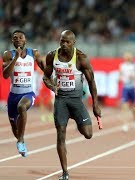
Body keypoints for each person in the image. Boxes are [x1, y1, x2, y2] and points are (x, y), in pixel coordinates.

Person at [42, 30, 101, 180]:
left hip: (76, 101)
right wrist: (52, 87)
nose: (64, 44)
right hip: (61, 101)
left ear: (73, 43)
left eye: (67, 42)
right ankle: (65, 172)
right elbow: (45, 76)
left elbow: (92, 82)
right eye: (62, 41)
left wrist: (95, 104)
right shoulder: (52, 55)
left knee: (88, 134)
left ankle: (77, 119)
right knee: (61, 135)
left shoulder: (81, 58)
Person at [2, 30, 45, 157]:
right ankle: (20, 139)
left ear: (25, 40)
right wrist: (15, 58)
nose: (18, 40)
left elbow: (44, 69)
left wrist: (52, 79)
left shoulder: (34, 53)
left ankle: (20, 140)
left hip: (28, 93)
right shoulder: (8, 54)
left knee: (22, 107)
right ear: (12, 41)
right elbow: (5, 75)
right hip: (13, 95)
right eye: (15, 38)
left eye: (20, 37)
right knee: (15, 128)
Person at [119, 52, 135, 132]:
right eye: (125, 56)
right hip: (125, 88)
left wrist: (134, 76)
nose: (127, 58)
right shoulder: (122, 66)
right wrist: (120, 79)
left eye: (128, 56)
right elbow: (120, 76)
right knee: (124, 107)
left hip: (133, 88)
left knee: (133, 108)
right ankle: (125, 124)